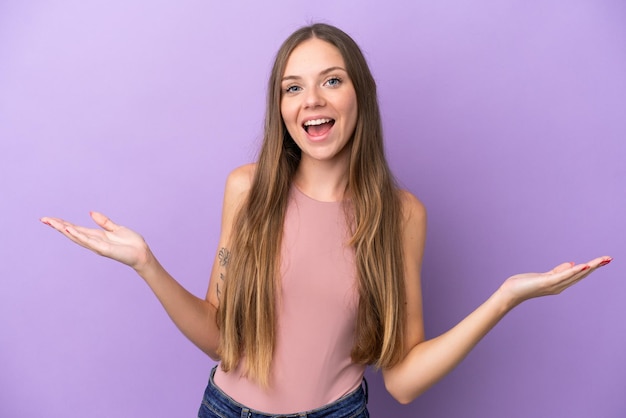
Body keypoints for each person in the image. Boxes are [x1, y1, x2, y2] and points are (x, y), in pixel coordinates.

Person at [41, 23, 612, 418]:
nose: (311, 100)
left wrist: (505, 298)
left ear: (359, 94)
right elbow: (221, 338)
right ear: (281, 106)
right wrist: (147, 265)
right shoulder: (247, 190)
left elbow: (404, 382)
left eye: (331, 80)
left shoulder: (402, 214)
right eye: (294, 87)